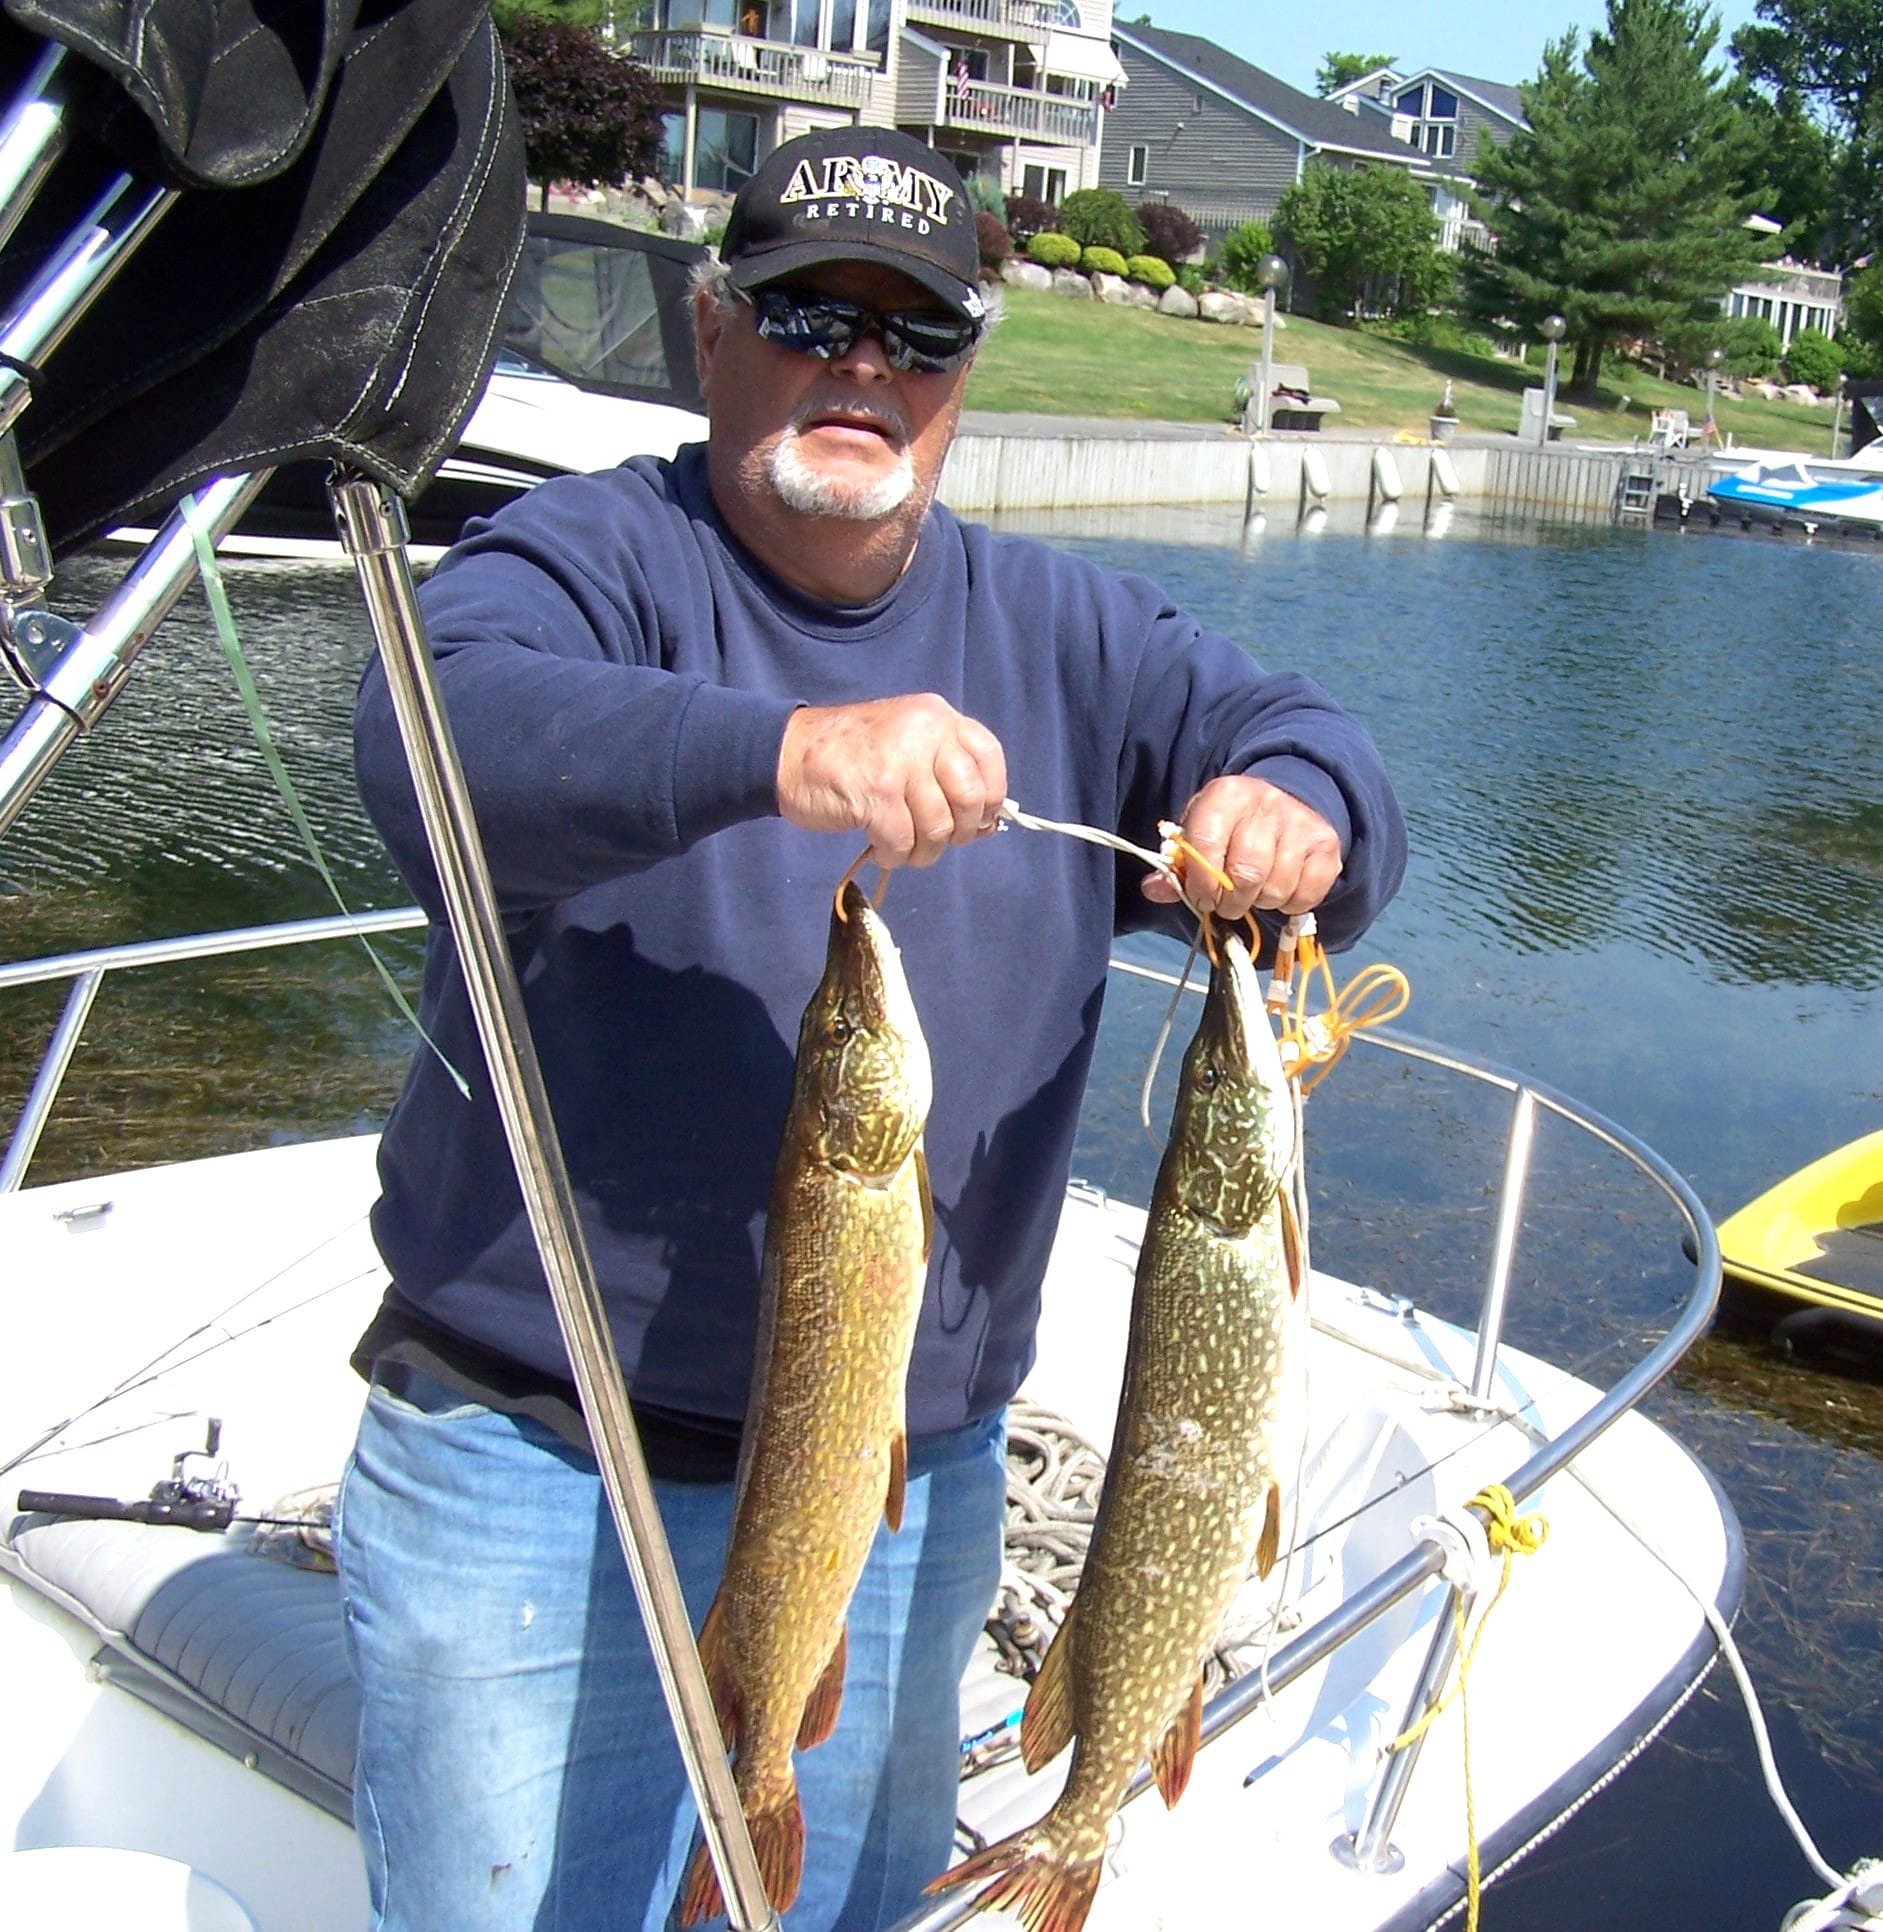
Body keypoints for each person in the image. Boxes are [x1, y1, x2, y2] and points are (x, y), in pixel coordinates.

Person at [338, 124, 1406, 1932]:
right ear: (709, 330)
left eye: (914, 335)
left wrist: (1297, 810)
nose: (862, 368)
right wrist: (783, 751)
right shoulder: (592, 556)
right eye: (809, 313)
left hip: (899, 1502)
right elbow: (426, 734)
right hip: (536, 1469)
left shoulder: (1073, 629)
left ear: (965, 371)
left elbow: (1317, 747)